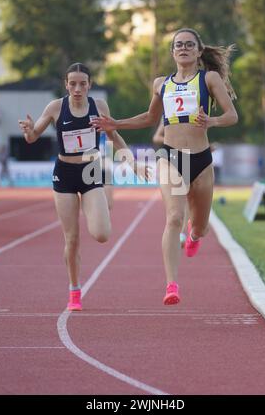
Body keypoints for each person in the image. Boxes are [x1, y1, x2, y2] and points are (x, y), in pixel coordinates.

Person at [91, 28, 238, 305]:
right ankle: (172, 285)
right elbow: (149, 117)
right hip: (171, 156)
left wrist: (213, 122)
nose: (183, 48)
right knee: (173, 218)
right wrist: (116, 124)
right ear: (172, 52)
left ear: (198, 50)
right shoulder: (161, 83)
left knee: (202, 227)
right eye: (178, 45)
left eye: (188, 44)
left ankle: (195, 234)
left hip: (201, 157)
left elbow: (232, 115)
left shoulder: (209, 78)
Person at [19, 62, 148, 311]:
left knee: (101, 234)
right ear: (66, 85)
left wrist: (133, 163)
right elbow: (33, 136)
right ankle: (74, 290)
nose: (77, 88)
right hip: (65, 174)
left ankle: (99, 201)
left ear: (89, 85)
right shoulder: (56, 107)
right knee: (72, 238)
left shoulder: (99, 107)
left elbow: (114, 136)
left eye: (82, 83)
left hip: (90, 170)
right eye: (73, 83)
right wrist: (28, 131)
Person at [152, 119, 188, 248]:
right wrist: (173, 140)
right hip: (171, 156)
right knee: (173, 200)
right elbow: (156, 137)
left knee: (186, 197)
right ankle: (177, 231)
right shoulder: (167, 115)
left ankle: (183, 232)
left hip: (188, 155)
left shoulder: (193, 112)